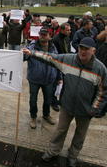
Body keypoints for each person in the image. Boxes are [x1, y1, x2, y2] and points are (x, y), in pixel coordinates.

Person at [23, 37, 107, 167]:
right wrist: (32, 53)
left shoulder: (100, 69)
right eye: (81, 48)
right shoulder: (68, 60)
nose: (82, 51)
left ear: (94, 50)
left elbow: (103, 92)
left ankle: (73, 156)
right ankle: (53, 151)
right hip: (67, 106)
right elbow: (50, 57)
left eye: (86, 49)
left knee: (80, 135)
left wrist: (94, 109)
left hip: (85, 110)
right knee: (60, 130)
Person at [24, 27, 59, 128]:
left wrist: (59, 77)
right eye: (41, 34)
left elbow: (57, 62)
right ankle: (33, 117)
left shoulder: (53, 47)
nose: (43, 36)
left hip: (48, 79)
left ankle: (46, 115)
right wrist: (24, 53)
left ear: (50, 36)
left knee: (48, 99)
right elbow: (25, 56)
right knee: (33, 99)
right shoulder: (32, 46)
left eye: (45, 34)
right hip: (34, 79)